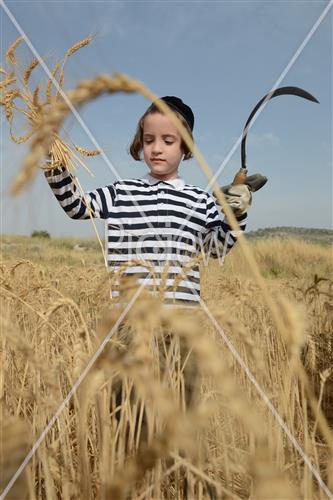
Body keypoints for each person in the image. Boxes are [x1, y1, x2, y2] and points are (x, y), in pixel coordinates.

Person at [44, 96, 251, 309]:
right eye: (149, 140)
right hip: (128, 320)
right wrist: (53, 154)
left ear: (185, 148)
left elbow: (217, 249)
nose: (156, 148)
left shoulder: (201, 200)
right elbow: (75, 206)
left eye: (168, 141)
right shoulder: (121, 192)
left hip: (183, 322)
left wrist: (236, 214)